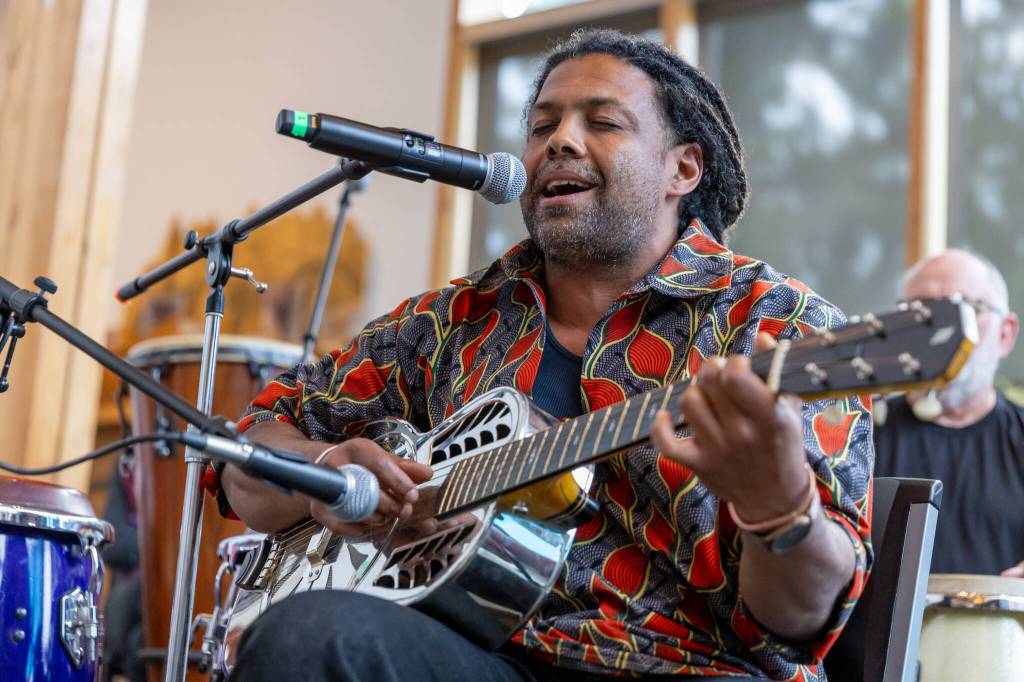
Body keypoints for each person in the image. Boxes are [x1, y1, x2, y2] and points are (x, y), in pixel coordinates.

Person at [206, 29, 872, 680]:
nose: (560, 141)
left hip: (685, 664)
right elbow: (247, 458)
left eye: (603, 122)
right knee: (307, 637)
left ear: (683, 169)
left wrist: (780, 507)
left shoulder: (775, 326)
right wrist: (326, 473)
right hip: (472, 651)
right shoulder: (448, 322)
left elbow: (799, 623)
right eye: (542, 126)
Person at [873, 249, 1023, 576]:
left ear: (1005, 334)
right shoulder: (860, 437)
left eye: (966, 309)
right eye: (921, 312)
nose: (942, 328)